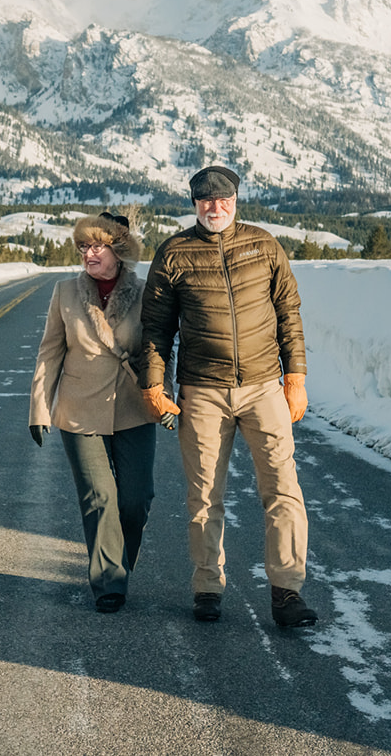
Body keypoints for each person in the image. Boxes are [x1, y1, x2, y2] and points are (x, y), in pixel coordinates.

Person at [137, 165, 319, 628]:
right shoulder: (174, 253)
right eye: (205, 200)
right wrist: (153, 385)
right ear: (194, 203)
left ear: (236, 200)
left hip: (263, 387)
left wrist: (295, 376)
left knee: (283, 489)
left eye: (223, 200)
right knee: (203, 495)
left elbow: (289, 314)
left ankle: (287, 591)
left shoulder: (264, 246)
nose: (215, 208)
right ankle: (207, 587)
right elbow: (156, 328)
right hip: (202, 391)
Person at [29, 212, 164, 613]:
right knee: (99, 496)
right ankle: (109, 582)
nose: (90, 253)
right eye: (85, 246)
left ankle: (118, 562)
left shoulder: (145, 293)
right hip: (79, 408)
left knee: (137, 499)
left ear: (119, 252)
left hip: (133, 407)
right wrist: (39, 407)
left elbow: (159, 351)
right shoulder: (65, 292)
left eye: (99, 246)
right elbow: (50, 351)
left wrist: (165, 396)